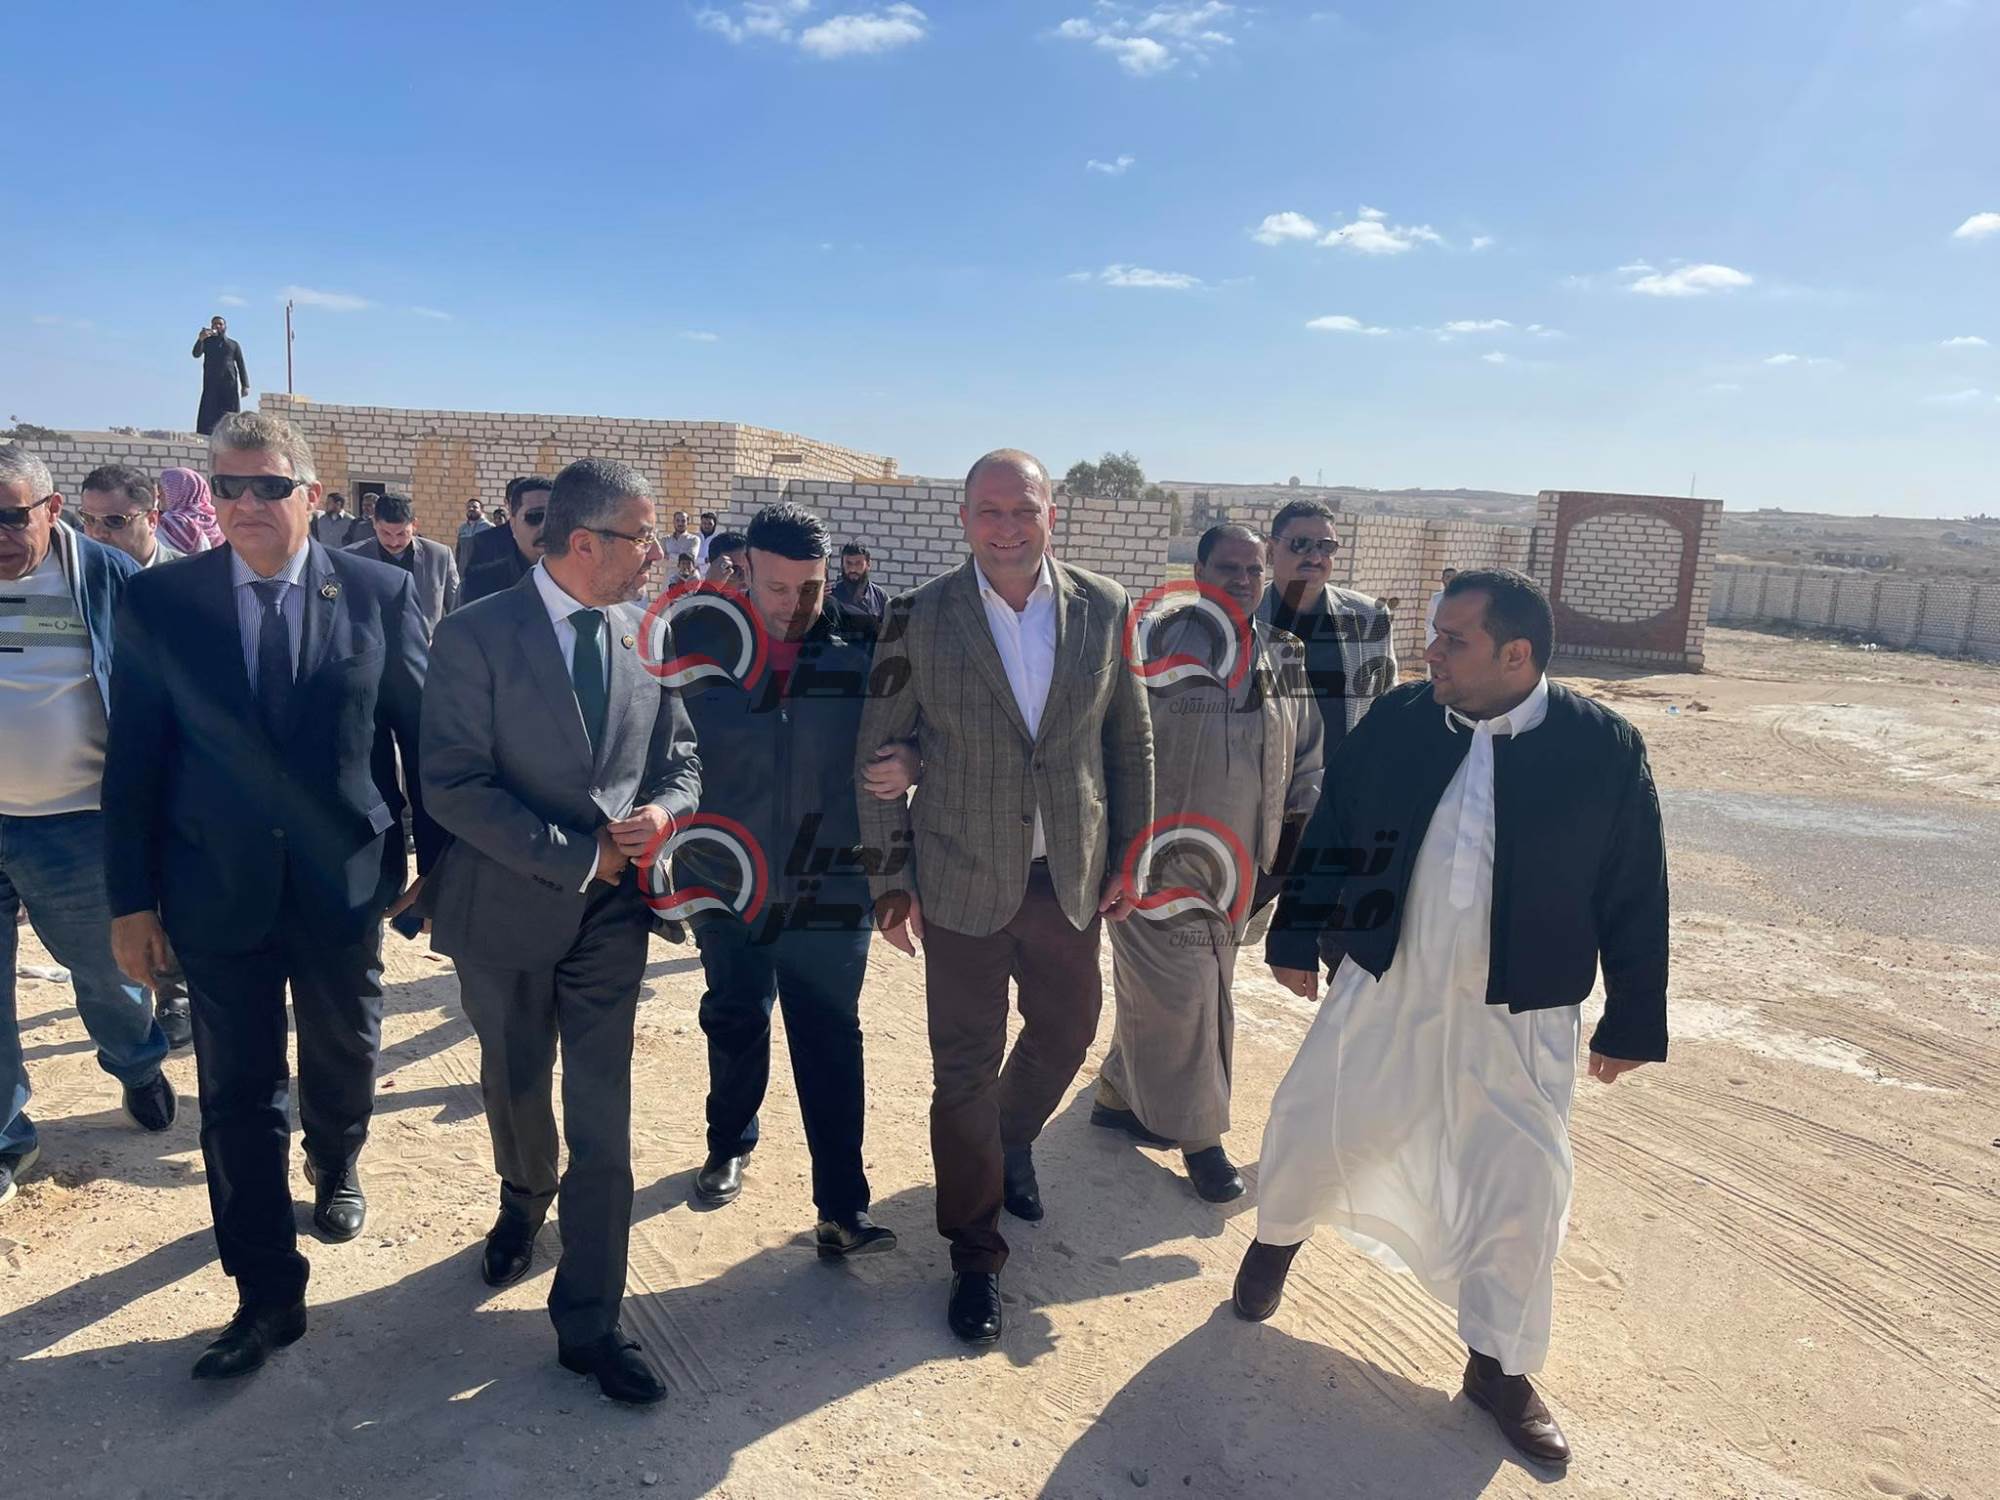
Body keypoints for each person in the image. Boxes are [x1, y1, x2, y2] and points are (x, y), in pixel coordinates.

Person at [1240, 568, 1670, 1468]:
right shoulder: (1401, 719)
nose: (1429, 652)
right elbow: (1335, 826)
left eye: (1453, 640)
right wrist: (1298, 932)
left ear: (1516, 655)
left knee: (1521, 1187)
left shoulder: (1601, 746)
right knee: (1317, 1120)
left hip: (1522, 1006)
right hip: (1388, 978)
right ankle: (1275, 1242)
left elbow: (1635, 886)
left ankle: (1499, 1368)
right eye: (1433, 634)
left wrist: (1633, 1016)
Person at [102, 412, 433, 1380]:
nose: (246, 503)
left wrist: (441, 864)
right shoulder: (163, 603)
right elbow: (133, 762)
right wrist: (130, 902)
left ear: (312, 497)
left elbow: (420, 734)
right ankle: (264, 1295)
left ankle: (336, 1158)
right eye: (228, 486)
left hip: (343, 884)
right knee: (237, 1096)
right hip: (216, 888)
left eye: (269, 486)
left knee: (344, 1050)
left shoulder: (377, 591)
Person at [853, 448, 1153, 1345]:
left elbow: (1128, 738)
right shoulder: (918, 616)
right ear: (964, 520)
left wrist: (1131, 854)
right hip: (959, 879)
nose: (1007, 527)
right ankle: (975, 1252)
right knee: (963, 1070)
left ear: (1051, 513)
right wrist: (890, 881)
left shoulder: (1104, 604)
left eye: (1023, 509)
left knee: (1069, 1029)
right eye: (989, 510)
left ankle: (1009, 1137)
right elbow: (879, 753)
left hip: (1069, 875)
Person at [420, 457, 700, 1406]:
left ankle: (590, 1322)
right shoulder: (475, 633)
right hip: (503, 911)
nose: (656, 555)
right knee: (515, 1082)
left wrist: (663, 813)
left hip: (611, 922)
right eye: (642, 538)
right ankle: (522, 1197)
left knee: (603, 1118)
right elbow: (453, 783)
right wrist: (581, 855)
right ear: (584, 542)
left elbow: (681, 757)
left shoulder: (647, 632)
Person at [678, 502, 895, 1258]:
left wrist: (913, 759)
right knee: (735, 1014)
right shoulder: (698, 642)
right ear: (743, 569)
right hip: (725, 874)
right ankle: (729, 1141)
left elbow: (915, 729)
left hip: (829, 878)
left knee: (830, 1034)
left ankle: (842, 1206)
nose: (796, 604)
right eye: (777, 587)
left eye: (812, 587)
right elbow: (664, 747)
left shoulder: (862, 643)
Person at [1093, 523, 1324, 1202]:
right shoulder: (1151, 644)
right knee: (1190, 996)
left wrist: (1294, 845)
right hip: (1153, 863)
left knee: (1182, 990)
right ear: (1197, 572)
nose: (1243, 581)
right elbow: (1106, 744)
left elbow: (1306, 755)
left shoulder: (1283, 652)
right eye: (1229, 568)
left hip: (1241, 868)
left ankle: (1116, 1093)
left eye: (1255, 570)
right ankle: (1201, 1138)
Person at [0, 447, 174, 1208]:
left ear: (52, 508)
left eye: (11, 517)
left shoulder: (107, 578)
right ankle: (7, 1135)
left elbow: (160, 699)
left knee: (109, 974)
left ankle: (136, 1063)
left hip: (75, 825)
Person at [346, 492, 460, 630]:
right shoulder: (352, 559)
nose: (394, 542)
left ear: (414, 525)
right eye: (386, 533)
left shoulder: (439, 556)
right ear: (374, 523)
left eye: (401, 534)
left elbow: (457, 610)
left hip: (425, 642)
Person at [460, 475, 552, 604]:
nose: (545, 526)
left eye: (554, 517)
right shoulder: (482, 582)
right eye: (535, 516)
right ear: (513, 522)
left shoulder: (577, 579)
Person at [76, 465, 182, 569]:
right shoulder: (75, 572)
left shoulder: (186, 576)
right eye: (89, 519)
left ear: (151, 520)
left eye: (114, 521)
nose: (97, 533)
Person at [190, 315, 249, 436]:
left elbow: (241, 365)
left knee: (231, 414)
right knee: (209, 412)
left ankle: (231, 437)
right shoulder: (207, 342)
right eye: (214, 324)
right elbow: (196, 354)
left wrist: (245, 385)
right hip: (211, 384)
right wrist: (200, 340)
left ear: (225, 327)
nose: (217, 326)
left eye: (220, 324)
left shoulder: (233, 344)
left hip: (229, 384)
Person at [156, 467, 223, 555]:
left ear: (180, 492)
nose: (159, 496)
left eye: (164, 490)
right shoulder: (220, 521)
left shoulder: (171, 524)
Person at [829, 542, 888, 625]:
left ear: (868, 564)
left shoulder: (880, 596)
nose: (853, 569)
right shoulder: (831, 595)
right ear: (842, 564)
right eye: (848, 563)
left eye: (858, 564)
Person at [456, 498, 493, 571]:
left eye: (475, 507)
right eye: (468, 507)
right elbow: (458, 552)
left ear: (482, 509)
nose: (471, 509)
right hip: (463, 573)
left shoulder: (489, 527)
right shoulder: (462, 528)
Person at [1425, 566, 1458, 649]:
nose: (1451, 580)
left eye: (1454, 577)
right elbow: (1429, 618)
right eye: (1448, 577)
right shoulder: (1436, 598)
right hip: (1435, 637)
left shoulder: (1463, 598)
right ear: (1443, 579)